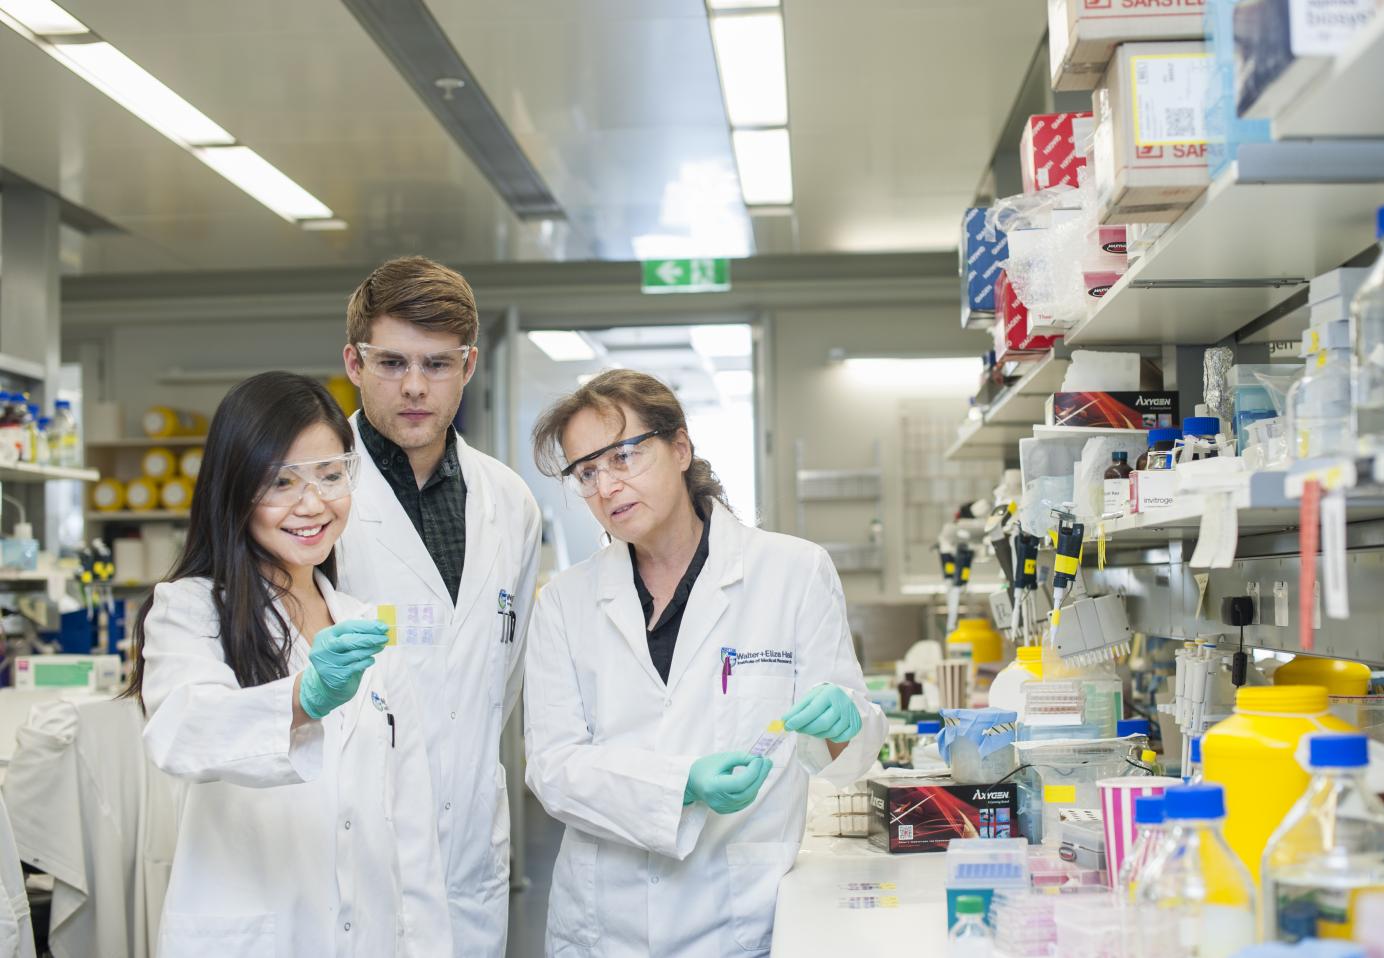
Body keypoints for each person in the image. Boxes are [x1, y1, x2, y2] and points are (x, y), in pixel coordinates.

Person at [524, 368, 887, 955]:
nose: (607, 486)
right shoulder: (565, 602)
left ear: (680, 447)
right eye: (585, 473)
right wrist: (680, 785)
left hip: (738, 916)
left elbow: (843, 762)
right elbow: (551, 768)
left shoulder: (793, 572)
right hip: (603, 923)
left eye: (623, 456)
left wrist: (846, 723)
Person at [125, 372, 450, 957]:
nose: (313, 504)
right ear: (234, 489)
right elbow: (180, 732)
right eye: (280, 481)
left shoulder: (363, 627)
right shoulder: (192, 609)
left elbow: (412, 829)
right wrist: (304, 698)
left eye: (331, 475)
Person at [334, 256, 541, 954]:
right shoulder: (314, 491)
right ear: (354, 363)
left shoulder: (509, 500)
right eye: (391, 362)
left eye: (437, 363)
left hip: (471, 847)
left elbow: (498, 681)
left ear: (470, 364)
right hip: (351, 840)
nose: (416, 387)